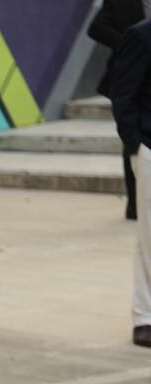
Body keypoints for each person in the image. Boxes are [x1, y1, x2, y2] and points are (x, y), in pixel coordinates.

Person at [111, 17, 151, 348]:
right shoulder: (139, 37)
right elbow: (122, 94)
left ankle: (145, 315)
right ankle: (145, 319)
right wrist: (136, 145)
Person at [89, 0, 149, 222]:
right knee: (132, 141)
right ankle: (135, 204)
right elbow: (96, 28)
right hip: (130, 76)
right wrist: (131, 42)